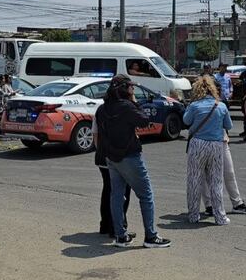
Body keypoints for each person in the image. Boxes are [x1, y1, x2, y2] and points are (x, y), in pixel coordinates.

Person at [95, 74, 171, 248]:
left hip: (111, 157)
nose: (133, 90)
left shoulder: (103, 108)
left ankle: (121, 236)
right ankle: (151, 236)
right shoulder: (127, 106)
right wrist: (134, 101)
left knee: (116, 195)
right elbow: (144, 120)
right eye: (131, 87)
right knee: (146, 195)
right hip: (129, 155)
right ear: (125, 89)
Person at [183, 75, 233, 225]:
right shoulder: (221, 106)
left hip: (197, 144)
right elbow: (228, 126)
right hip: (216, 145)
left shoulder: (194, 106)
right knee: (216, 181)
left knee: (194, 180)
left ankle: (193, 215)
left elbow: (186, 121)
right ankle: (220, 217)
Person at [92, 116, 133, 238]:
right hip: (117, 158)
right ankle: (117, 227)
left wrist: (101, 151)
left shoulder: (101, 110)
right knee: (122, 191)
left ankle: (105, 225)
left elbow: (95, 134)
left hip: (102, 156)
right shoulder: (122, 110)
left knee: (108, 189)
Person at [201, 136, 246, 216]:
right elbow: (188, 123)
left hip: (221, 140)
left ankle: (237, 203)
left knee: (229, 173)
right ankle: (209, 205)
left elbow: (228, 124)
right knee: (205, 174)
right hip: (201, 140)